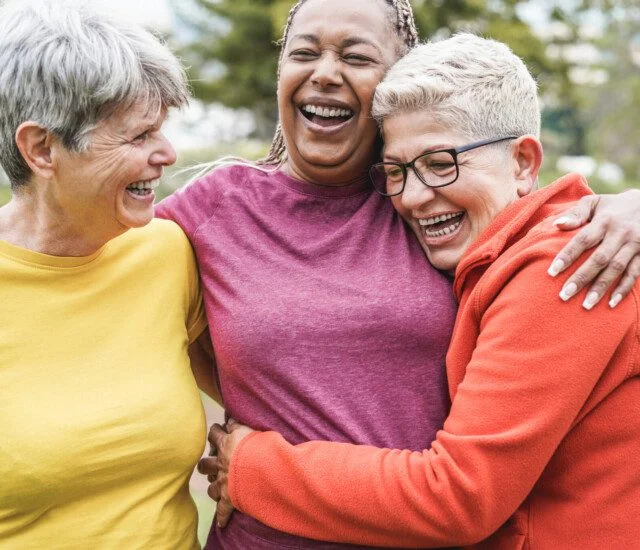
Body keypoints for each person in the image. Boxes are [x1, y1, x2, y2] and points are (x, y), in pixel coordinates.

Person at [157, 0, 640, 548]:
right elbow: (106, 272)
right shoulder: (217, 210)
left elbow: (458, 495)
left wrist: (252, 464)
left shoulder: (569, 258)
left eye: (357, 56)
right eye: (303, 52)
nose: (415, 193)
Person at [0, 1, 216, 547]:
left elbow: (260, 391)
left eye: (162, 130)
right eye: (138, 136)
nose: (167, 153)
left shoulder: (167, 253)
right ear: (42, 148)